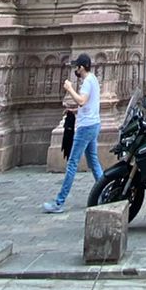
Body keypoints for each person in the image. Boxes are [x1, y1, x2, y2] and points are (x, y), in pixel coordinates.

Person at [43, 54, 102, 213]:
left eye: (77, 66)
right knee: (94, 162)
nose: (75, 69)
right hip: (93, 123)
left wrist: (69, 89)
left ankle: (59, 202)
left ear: (82, 67)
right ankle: (105, 192)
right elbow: (88, 104)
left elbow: (82, 100)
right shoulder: (94, 79)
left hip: (85, 128)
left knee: (72, 164)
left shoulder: (87, 82)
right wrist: (75, 111)